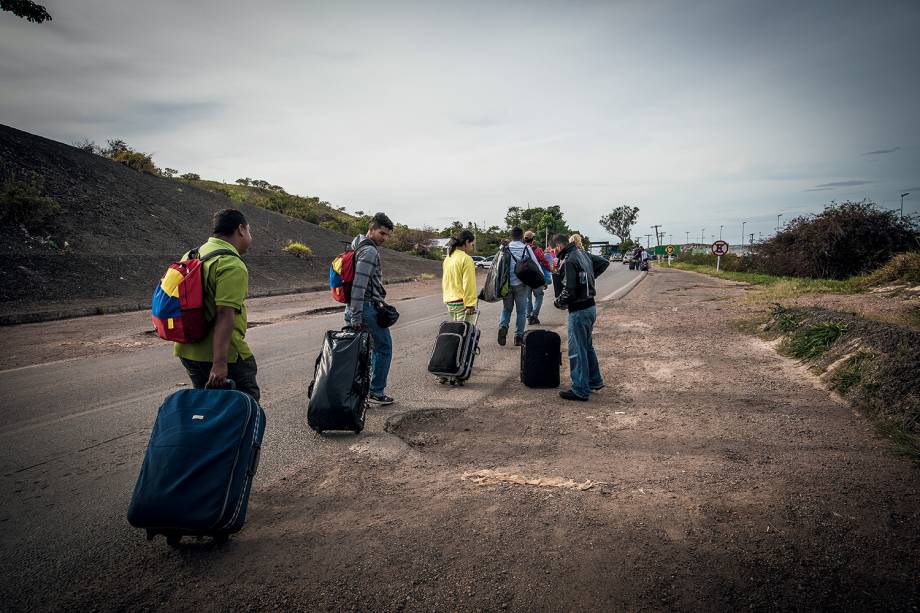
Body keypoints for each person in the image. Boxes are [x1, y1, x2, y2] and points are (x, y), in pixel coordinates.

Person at [175, 209, 260, 400]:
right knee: (244, 407)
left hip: (188, 350)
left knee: (206, 408)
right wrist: (220, 363)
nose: (249, 236)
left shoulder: (191, 255)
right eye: (249, 231)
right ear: (240, 229)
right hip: (224, 356)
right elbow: (224, 314)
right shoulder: (230, 263)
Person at [344, 212, 395, 406]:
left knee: (361, 353)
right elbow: (359, 285)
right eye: (382, 233)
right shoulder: (370, 251)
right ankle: (376, 391)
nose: (385, 238)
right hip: (365, 308)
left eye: (387, 235)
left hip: (352, 307)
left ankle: (359, 393)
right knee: (384, 348)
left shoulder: (355, 245)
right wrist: (357, 317)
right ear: (371, 229)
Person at [552, 233, 604, 401]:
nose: (555, 252)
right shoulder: (583, 254)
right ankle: (594, 380)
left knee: (577, 350)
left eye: (554, 249)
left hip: (579, 311)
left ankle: (580, 389)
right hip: (590, 307)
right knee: (587, 346)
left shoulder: (569, 260)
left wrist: (558, 303)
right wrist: (589, 278)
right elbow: (604, 262)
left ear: (559, 246)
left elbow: (569, 290)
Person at [498, 226, 538, 347]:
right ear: (521, 237)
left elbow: (498, 264)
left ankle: (503, 326)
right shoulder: (526, 248)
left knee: (506, 309)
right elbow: (535, 264)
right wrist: (540, 280)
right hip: (522, 284)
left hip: (507, 285)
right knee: (521, 312)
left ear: (511, 236)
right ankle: (518, 337)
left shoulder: (505, 247)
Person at [442, 229, 478, 322]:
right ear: (466, 242)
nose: (472, 247)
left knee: (457, 332)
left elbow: (446, 281)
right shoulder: (466, 259)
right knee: (466, 333)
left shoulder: (448, 258)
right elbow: (468, 283)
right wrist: (470, 305)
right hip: (462, 303)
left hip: (450, 301)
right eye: (472, 244)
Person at [522, 230, 552, 325]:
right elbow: (545, 262)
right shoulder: (537, 250)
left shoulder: (521, 249)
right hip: (536, 278)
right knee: (539, 296)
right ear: (533, 239)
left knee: (527, 298)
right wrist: (550, 269)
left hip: (525, 278)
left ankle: (529, 317)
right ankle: (534, 315)